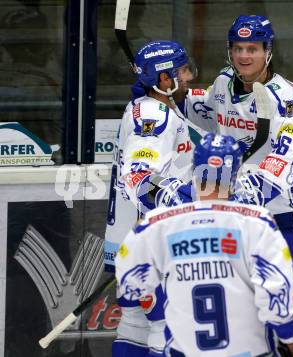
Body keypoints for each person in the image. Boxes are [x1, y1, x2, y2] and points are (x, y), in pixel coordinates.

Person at [115, 133, 293, 356]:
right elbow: (277, 298)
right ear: (237, 173)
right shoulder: (257, 222)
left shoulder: (158, 222)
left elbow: (130, 284)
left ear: (195, 168)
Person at [184, 15, 293, 321]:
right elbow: (203, 112)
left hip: (283, 214)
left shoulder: (287, 98)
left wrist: (245, 194)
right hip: (236, 216)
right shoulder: (222, 84)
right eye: (238, 48)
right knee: (237, 307)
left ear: (267, 51)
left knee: (286, 309)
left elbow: (282, 157)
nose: (244, 56)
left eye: (252, 48)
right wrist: (167, 94)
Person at [104, 40, 196, 357]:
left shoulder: (149, 108)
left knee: (135, 324)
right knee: (167, 326)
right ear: (164, 80)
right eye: (182, 71)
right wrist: (181, 200)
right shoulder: (155, 116)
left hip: (127, 240)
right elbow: (139, 176)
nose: (189, 77)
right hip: (152, 242)